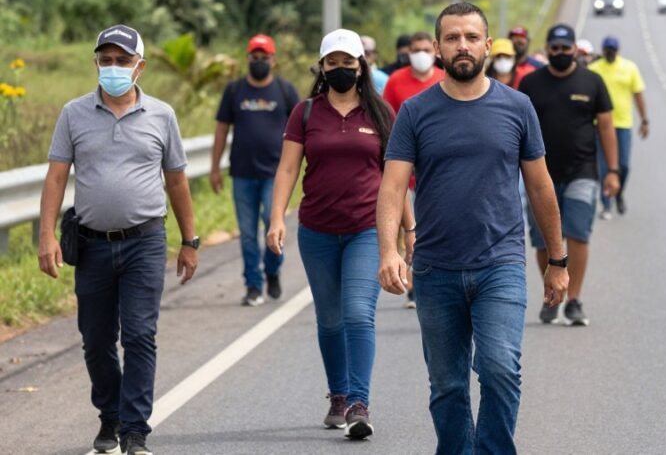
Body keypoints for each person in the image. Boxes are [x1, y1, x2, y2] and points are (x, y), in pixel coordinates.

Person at [377, 3, 569, 454]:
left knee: (500, 367)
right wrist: (389, 250)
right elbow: (392, 187)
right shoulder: (415, 112)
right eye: (451, 37)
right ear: (438, 48)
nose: (461, 45)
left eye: (470, 36)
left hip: (499, 264)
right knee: (447, 385)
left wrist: (557, 260)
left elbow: (540, 187)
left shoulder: (518, 107)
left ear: (487, 44)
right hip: (434, 269)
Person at [37, 24, 199, 455]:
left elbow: (177, 181)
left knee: (140, 335)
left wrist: (190, 239)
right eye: (105, 60)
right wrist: (46, 236)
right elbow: (56, 177)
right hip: (90, 244)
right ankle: (109, 414)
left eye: (122, 61)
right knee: (95, 339)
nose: (113, 68)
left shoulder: (162, 115)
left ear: (139, 67)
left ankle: (134, 431)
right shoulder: (73, 113)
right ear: (96, 63)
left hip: (145, 241)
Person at [267, 28, 413, 440]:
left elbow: (396, 176)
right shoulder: (306, 113)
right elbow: (288, 169)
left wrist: (408, 230)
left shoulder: (381, 113)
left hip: (367, 229)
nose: (341, 70)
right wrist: (277, 217)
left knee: (356, 314)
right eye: (333, 63)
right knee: (329, 321)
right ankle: (338, 394)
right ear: (323, 67)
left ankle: (358, 403)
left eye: (348, 63)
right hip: (316, 231)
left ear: (361, 66)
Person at [519, 24, 620, 326]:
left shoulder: (592, 82)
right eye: (555, 48)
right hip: (540, 177)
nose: (560, 53)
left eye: (566, 48)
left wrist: (612, 171)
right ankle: (552, 293)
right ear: (547, 49)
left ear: (575, 49)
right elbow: (518, 129)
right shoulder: (531, 84)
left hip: (582, 172)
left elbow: (606, 127)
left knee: (577, 234)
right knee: (542, 240)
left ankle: (574, 299)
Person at [211, 34, 299, 307]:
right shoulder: (235, 91)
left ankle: (272, 270)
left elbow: (300, 130)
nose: (259, 61)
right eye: (255, 57)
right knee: (247, 233)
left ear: (273, 60)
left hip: (275, 175)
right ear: (248, 58)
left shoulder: (285, 91)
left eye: (265, 57)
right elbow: (222, 129)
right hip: (242, 173)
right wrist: (214, 167)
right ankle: (253, 285)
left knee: (273, 226)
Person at [381, 31, 444, 309]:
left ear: (434, 51)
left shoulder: (444, 80)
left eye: (425, 49)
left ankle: (432, 279)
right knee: (412, 229)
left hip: (438, 173)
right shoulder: (396, 82)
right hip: (406, 172)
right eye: (415, 49)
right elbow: (386, 123)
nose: (420, 54)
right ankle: (414, 283)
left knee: (435, 228)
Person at [589, 36, 650, 220]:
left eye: (613, 50)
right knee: (604, 166)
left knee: (623, 165)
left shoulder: (629, 68)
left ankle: (618, 192)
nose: (610, 53)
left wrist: (644, 119)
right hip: (600, 125)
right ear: (603, 50)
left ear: (618, 51)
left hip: (623, 124)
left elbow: (638, 94)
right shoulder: (594, 70)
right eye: (607, 50)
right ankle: (606, 204)